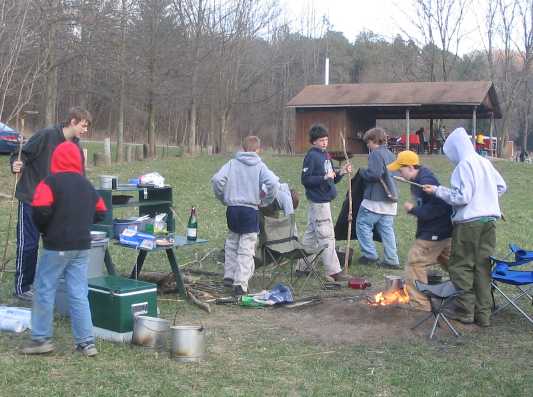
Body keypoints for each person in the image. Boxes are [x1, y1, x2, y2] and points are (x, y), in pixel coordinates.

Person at [21, 142, 107, 356]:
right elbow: (101, 211)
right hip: (82, 247)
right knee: (78, 293)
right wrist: (82, 222)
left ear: (55, 159)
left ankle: (41, 339)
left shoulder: (49, 183)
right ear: (79, 160)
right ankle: (86, 342)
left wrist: (46, 230)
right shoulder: (87, 185)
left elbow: (39, 211)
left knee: (43, 289)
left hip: (57, 245)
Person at [423, 127, 507, 327]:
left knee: (460, 267)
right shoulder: (484, 162)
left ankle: (466, 311)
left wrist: (437, 191)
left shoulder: (464, 165)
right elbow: (501, 186)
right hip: (489, 223)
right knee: (482, 267)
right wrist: (488, 203)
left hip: (469, 225)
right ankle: (483, 314)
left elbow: (462, 197)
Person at [10, 107, 91, 301]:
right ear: (72, 121)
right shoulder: (46, 136)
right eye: (83, 125)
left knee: (53, 247)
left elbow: (79, 176)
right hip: (32, 198)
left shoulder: (76, 147)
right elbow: (21, 155)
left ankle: (47, 286)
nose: (85, 130)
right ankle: (22, 287)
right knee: (28, 245)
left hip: (56, 206)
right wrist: (15, 164)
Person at [212, 136, 279, 296]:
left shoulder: (232, 163)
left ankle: (229, 276)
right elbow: (273, 183)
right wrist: (266, 200)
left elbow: (217, 180)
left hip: (233, 209)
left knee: (232, 242)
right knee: (246, 247)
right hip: (250, 209)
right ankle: (240, 284)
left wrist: (223, 197)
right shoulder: (260, 166)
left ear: (242, 148)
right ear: (258, 149)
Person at [387, 150, 453, 311]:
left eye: (400, 169)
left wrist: (413, 210)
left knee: (415, 263)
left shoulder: (426, 180)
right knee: (455, 265)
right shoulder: (418, 179)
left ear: (410, 167)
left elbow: (440, 207)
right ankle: (468, 295)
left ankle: (420, 304)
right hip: (442, 231)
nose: (399, 173)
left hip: (434, 232)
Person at [297, 124, 352, 282]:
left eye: (326, 140)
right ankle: (333, 271)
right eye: (321, 140)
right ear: (313, 141)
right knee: (326, 235)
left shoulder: (325, 155)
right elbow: (306, 180)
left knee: (311, 234)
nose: (324, 142)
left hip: (324, 199)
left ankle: (303, 266)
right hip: (318, 200)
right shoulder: (312, 156)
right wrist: (324, 178)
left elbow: (331, 174)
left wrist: (341, 172)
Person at [356, 127, 400, 269]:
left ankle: (370, 255)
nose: (367, 145)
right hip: (390, 199)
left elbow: (375, 174)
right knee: (387, 230)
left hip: (375, 199)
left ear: (373, 140)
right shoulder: (391, 154)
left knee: (362, 224)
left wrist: (362, 172)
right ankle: (391, 259)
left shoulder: (376, 154)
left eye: (368, 142)